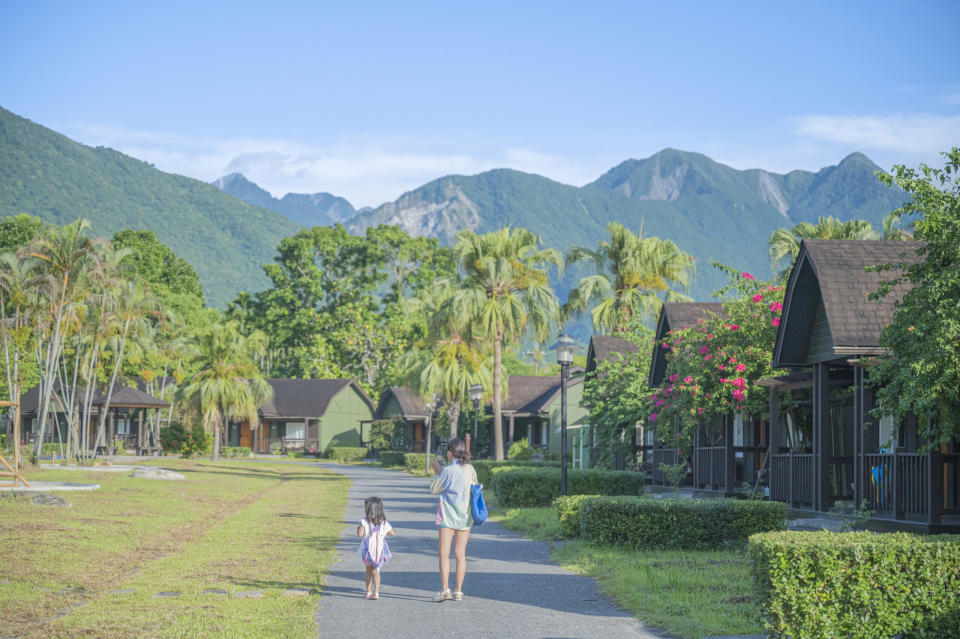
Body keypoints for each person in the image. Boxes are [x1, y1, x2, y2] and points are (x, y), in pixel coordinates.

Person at [428, 436, 477, 602]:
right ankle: (458, 590)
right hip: (465, 517)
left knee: (444, 554)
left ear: (449, 453)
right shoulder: (470, 469)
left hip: (447, 517)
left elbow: (434, 489)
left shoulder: (448, 471)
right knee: (460, 554)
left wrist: (438, 472)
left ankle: (445, 589)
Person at [357, 496, 394, 600]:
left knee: (368, 571)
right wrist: (382, 535)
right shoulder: (383, 522)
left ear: (369, 510)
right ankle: (376, 592)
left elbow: (360, 534)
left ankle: (368, 592)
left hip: (368, 552)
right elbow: (392, 533)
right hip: (379, 551)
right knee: (376, 570)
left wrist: (359, 528)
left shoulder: (364, 522)